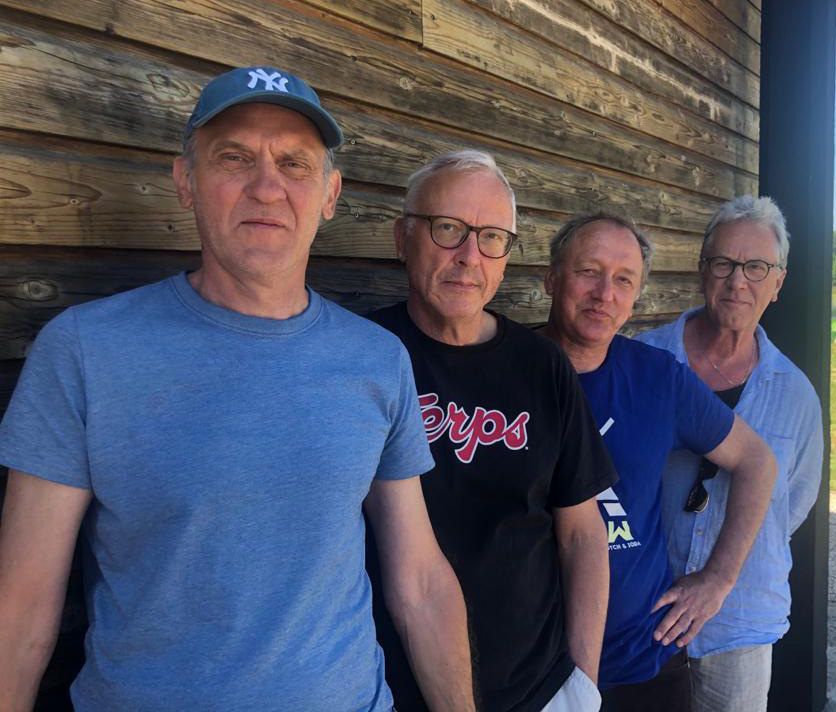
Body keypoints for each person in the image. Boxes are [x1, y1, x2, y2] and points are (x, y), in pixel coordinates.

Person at [0, 66, 475, 712]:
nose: (267, 187)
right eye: (234, 157)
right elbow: (22, 607)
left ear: (330, 194)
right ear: (185, 181)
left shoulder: (377, 359)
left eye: (294, 163)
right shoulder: (85, 351)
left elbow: (419, 578)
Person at [366, 150, 618, 712]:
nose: (469, 256)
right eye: (447, 228)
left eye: (492, 238)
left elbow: (582, 532)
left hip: (543, 688)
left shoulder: (542, 365)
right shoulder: (364, 356)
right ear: (403, 238)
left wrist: (582, 681)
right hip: (391, 691)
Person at [537, 211, 777, 712]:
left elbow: (757, 461)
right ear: (551, 278)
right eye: (588, 272)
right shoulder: (505, 368)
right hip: (529, 666)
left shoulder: (658, 378)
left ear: (636, 297)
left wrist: (718, 578)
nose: (605, 293)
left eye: (623, 280)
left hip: (642, 666)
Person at [637, 196, 823, 712]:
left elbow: (791, 504)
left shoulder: (796, 395)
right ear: (703, 270)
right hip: (645, 613)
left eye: (757, 267)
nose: (738, 281)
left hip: (740, 626)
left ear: (778, 283)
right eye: (724, 263)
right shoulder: (643, 360)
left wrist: (723, 571)